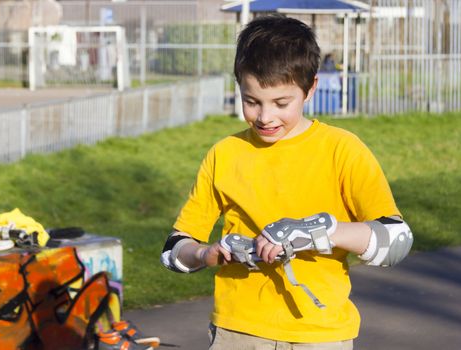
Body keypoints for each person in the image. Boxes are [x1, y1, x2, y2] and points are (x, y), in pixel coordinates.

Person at [160, 14, 413, 350]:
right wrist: (206, 253)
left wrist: (315, 232)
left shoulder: (342, 150)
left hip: (320, 334)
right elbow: (173, 249)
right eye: (251, 102)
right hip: (238, 332)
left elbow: (396, 240)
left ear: (310, 89)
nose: (265, 117)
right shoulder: (225, 154)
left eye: (281, 103)